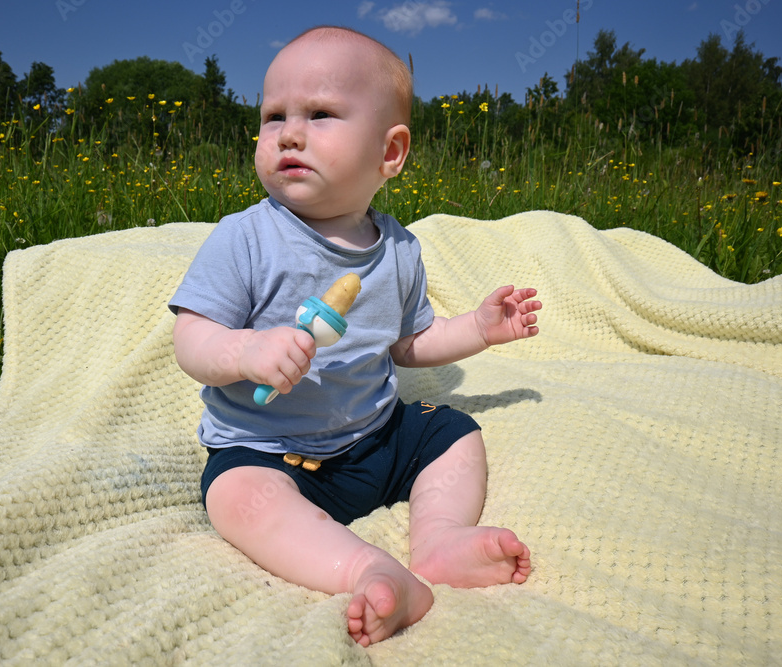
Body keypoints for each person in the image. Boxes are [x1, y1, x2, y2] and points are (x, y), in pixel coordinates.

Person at [170, 25, 540, 647]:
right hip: (270, 453)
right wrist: (244, 351)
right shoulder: (247, 238)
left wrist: (478, 329)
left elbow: (409, 346)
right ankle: (365, 568)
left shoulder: (397, 250)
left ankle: (440, 537)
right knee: (235, 499)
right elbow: (191, 339)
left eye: (319, 115)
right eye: (273, 117)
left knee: (454, 433)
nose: (288, 132)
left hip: (375, 438)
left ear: (389, 154)